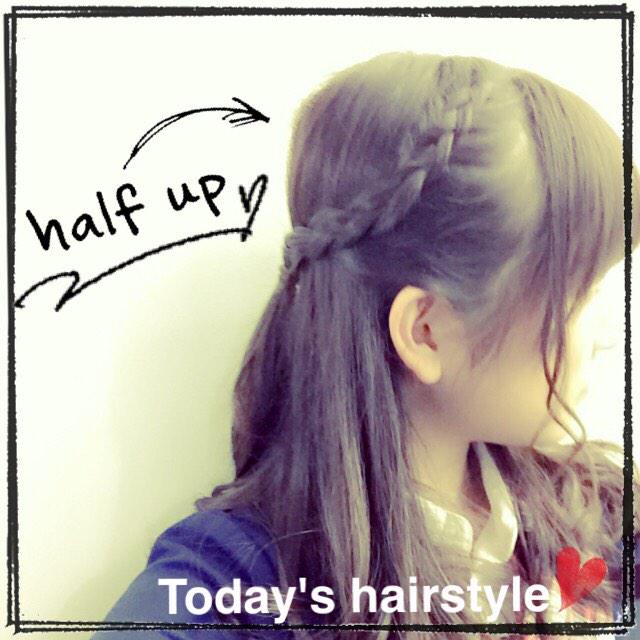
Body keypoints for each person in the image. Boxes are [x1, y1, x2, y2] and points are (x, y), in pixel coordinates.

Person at [91, 52, 640, 639]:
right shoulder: (231, 595)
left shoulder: (598, 513)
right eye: (579, 294)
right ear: (425, 332)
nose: (607, 336)